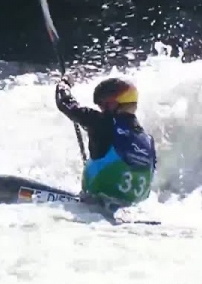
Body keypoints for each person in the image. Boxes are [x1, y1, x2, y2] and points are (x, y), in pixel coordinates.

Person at [55, 76, 157, 210]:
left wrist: (64, 84)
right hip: (130, 212)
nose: (101, 109)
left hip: (94, 207)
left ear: (112, 104)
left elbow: (66, 104)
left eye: (102, 105)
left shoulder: (102, 123)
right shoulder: (148, 141)